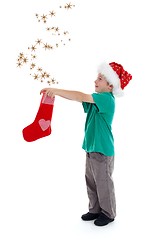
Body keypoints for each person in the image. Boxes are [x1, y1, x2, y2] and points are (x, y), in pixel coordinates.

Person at [40, 62, 132, 226]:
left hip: (102, 150)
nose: (95, 81)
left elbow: (80, 96)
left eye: (100, 78)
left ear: (110, 86)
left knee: (103, 182)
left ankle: (108, 213)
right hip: (91, 147)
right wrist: (55, 94)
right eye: (96, 77)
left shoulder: (106, 99)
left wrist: (56, 90)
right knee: (91, 181)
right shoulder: (96, 100)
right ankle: (95, 209)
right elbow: (77, 98)